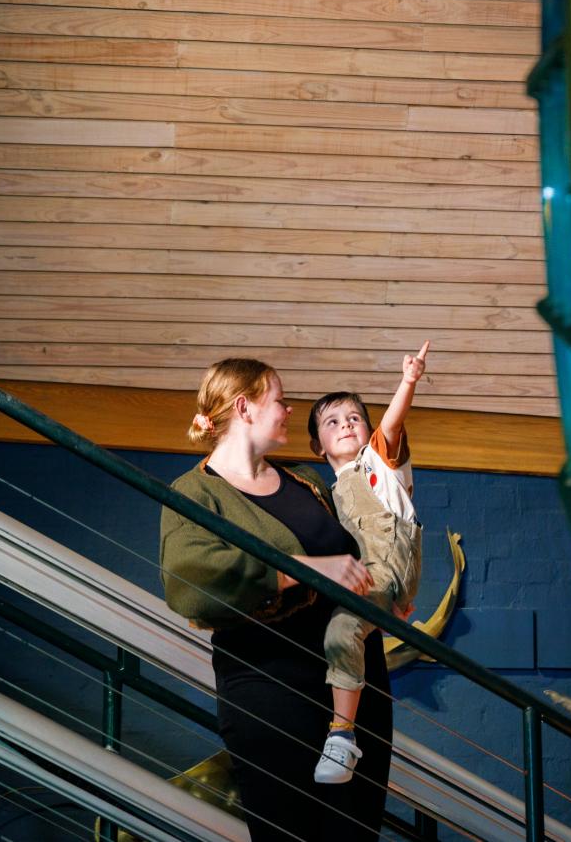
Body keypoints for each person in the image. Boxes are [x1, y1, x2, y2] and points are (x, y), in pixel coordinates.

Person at [158, 358, 392, 841]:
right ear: (244, 407)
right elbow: (189, 579)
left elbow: (360, 552)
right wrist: (300, 569)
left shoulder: (306, 480)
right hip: (273, 686)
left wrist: (386, 594)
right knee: (290, 828)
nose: (288, 409)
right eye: (279, 399)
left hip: (354, 690)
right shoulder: (196, 493)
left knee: (355, 830)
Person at [306, 342, 428, 784]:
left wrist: (408, 380)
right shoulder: (331, 492)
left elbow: (393, 423)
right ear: (318, 444)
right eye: (332, 422)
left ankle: (341, 736)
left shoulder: (377, 463)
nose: (346, 426)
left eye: (355, 418)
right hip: (374, 581)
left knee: (341, 626)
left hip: (389, 569)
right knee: (335, 619)